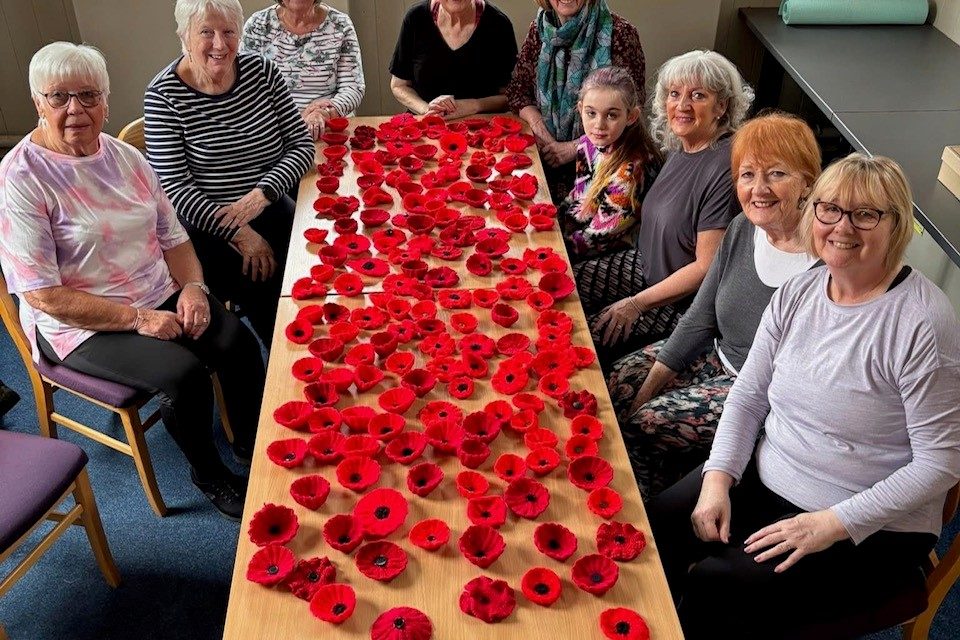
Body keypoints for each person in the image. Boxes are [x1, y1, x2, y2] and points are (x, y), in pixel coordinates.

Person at [647, 154, 960, 639]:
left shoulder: (923, 322)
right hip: (773, 473)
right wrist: (717, 478)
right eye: (829, 209)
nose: (842, 227)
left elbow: (940, 463)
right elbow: (749, 395)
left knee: (717, 587)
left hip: (867, 521)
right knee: (657, 526)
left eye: (866, 214)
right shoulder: (799, 292)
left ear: (897, 225)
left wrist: (832, 524)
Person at [0, 41, 267, 520]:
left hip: (154, 288)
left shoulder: (126, 157)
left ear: (106, 100)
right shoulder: (21, 177)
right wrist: (139, 318)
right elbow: (42, 294)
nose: (75, 109)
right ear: (38, 102)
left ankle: (250, 445)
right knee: (181, 376)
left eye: (87, 95)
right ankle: (210, 475)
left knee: (238, 344)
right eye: (58, 97)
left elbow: (173, 236)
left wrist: (192, 288)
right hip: (79, 321)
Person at [606, 112, 821, 498]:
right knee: (619, 382)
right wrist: (649, 386)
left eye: (777, 174)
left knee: (647, 422)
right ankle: (618, 481)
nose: (759, 189)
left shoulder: (823, 264)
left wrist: (649, 402)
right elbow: (701, 316)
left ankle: (637, 511)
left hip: (757, 391)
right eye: (748, 175)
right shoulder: (742, 229)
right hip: (715, 354)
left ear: (807, 180)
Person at [145, 0, 314, 346]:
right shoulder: (163, 95)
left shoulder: (263, 72)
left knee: (315, 263)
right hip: (208, 222)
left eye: (228, 32)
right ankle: (288, 374)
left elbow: (302, 146)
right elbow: (176, 190)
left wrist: (261, 195)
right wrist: (240, 232)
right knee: (267, 288)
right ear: (184, 36)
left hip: (266, 202)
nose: (219, 45)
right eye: (206, 32)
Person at [585, 50, 753, 367]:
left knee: (583, 337)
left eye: (698, 96)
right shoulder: (683, 143)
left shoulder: (725, 167)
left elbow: (705, 268)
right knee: (563, 286)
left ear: (722, 106)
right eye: (675, 94)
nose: (682, 105)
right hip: (643, 268)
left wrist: (634, 304)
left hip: (674, 306)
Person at [507, 0, 644, 202]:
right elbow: (518, 92)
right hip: (543, 156)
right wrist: (547, 139)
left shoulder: (621, 33)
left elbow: (630, 110)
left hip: (600, 168)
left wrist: (573, 149)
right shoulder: (540, 29)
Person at [559, 66, 661, 265]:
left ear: (631, 116)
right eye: (591, 113)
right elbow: (579, 198)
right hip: (585, 239)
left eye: (612, 115)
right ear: (580, 109)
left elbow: (600, 237)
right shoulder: (588, 144)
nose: (599, 125)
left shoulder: (631, 170)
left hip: (619, 253)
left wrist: (553, 249)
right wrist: (550, 220)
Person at [241, 0, 365, 140]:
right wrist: (295, 120)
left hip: (329, 129)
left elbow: (353, 87)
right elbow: (248, 91)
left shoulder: (341, 24)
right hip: (277, 132)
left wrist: (325, 113)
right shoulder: (257, 26)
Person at [389, 0, 517, 119]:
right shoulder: (415, 18)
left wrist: (473, 105)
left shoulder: (499, 24)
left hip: (482, 129)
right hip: (425, 126)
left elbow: (510, 96)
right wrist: (427, 109)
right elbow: (399, 85)